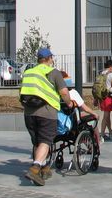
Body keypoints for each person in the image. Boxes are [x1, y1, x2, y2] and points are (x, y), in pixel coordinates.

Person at [20, 48, 73, 186]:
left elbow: (23, 92)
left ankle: (44, 169)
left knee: (37, 142)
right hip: (47, 113)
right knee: (46, 141)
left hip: (29, 113)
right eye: (52, 58)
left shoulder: (29, 72)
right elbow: (64, 92)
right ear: (49, 58)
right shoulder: (53, 72)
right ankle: (35, 167)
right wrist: (69, 103)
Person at [99, 60, 112, 141]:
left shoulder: (102, 73)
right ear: (111, 67)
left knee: (107, 115)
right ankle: (102, 134)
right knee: (106, 116)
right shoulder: (111, 74)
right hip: (109, 97)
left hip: (102, 96)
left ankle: (110, 131)